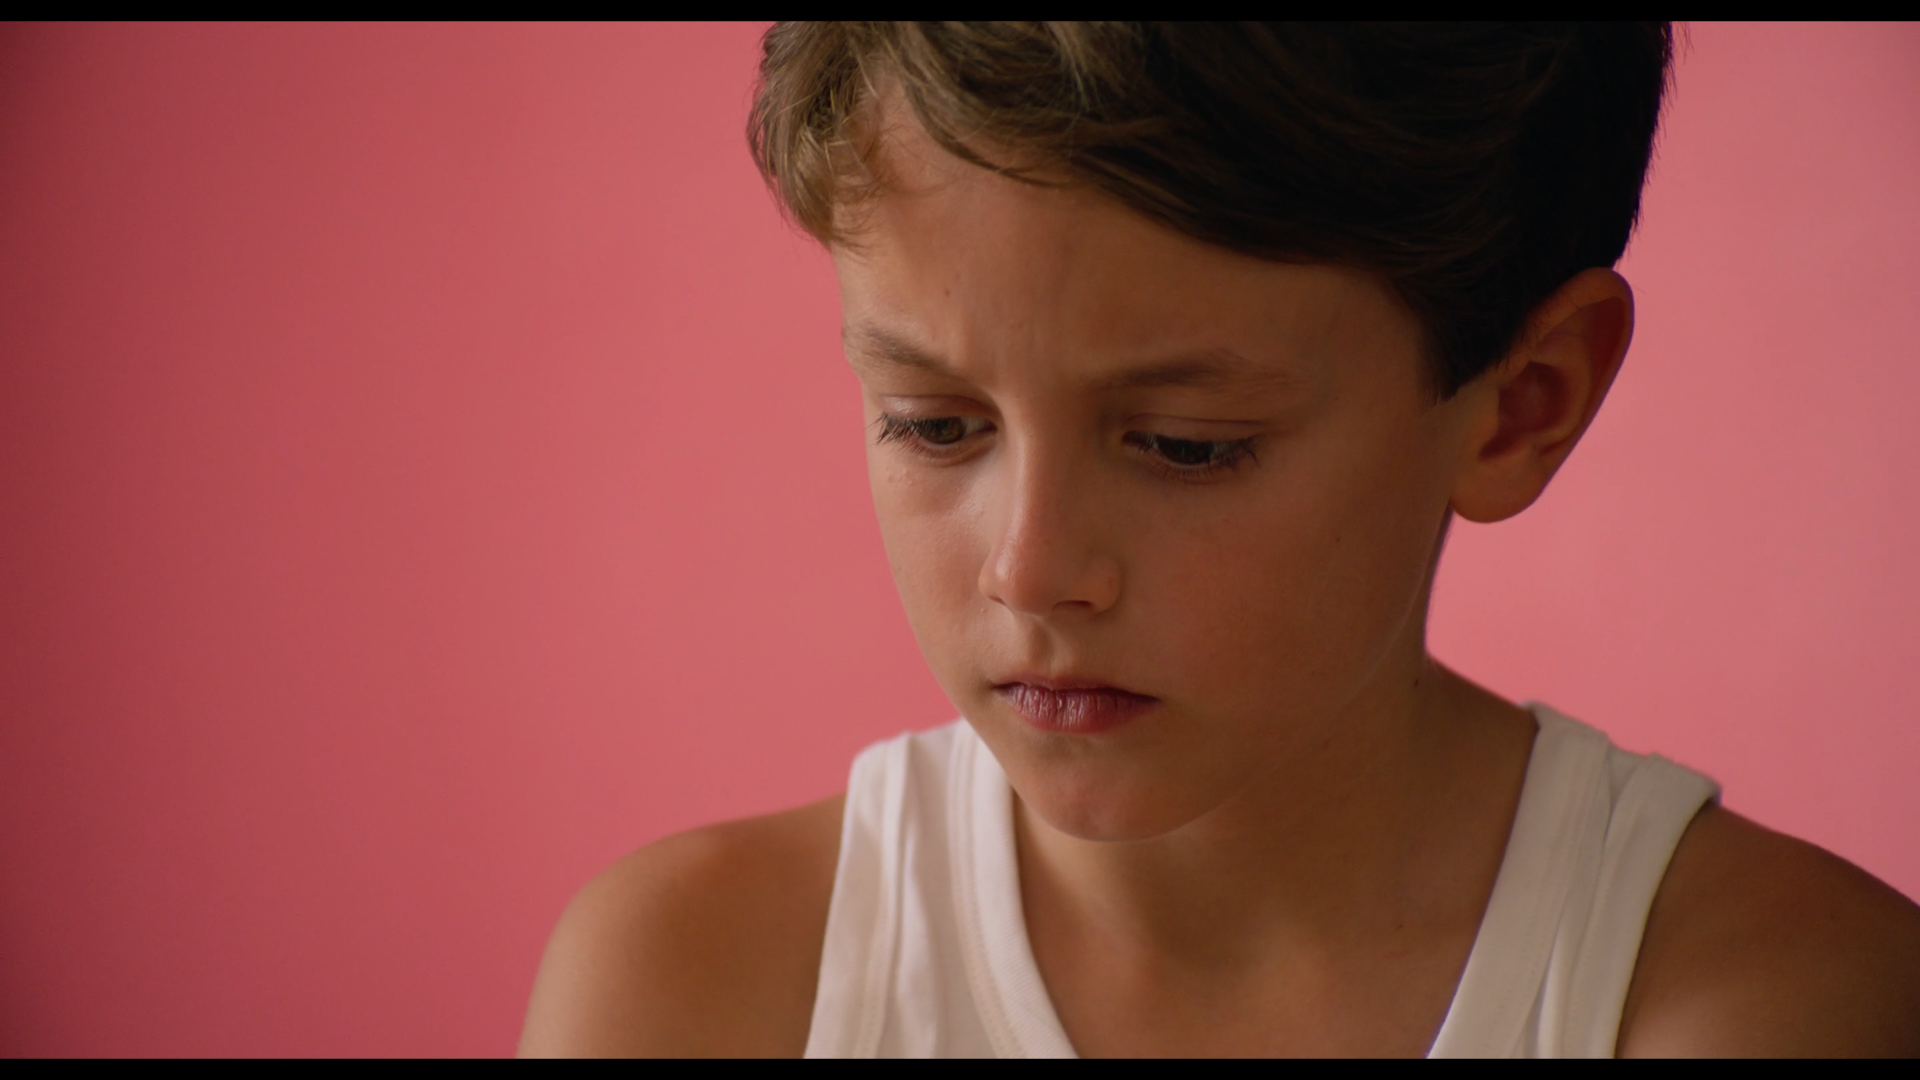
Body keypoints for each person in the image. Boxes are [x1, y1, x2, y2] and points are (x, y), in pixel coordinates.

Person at [517, 23, 1920, 1057]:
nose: (1030, 569)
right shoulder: (701, 991)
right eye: (934, 424)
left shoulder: (1775, 1002)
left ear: (1522, 402)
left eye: (1186, 445)